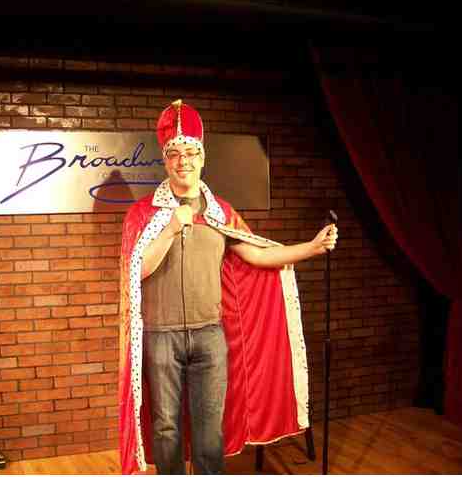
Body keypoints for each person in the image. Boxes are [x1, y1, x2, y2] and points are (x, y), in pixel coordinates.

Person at [118, 100, 338, 475]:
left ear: (202, 158)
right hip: (160, 336)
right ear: (165, 160)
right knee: (166, 428)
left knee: (209, 432)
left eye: (191, 152)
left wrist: (311, 248)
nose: (183, 161)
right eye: (174, 153)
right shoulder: (142, 213)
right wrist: (170, 228)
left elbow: (257, 254)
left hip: (209, 336)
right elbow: (135, 272)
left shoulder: (219, 211)